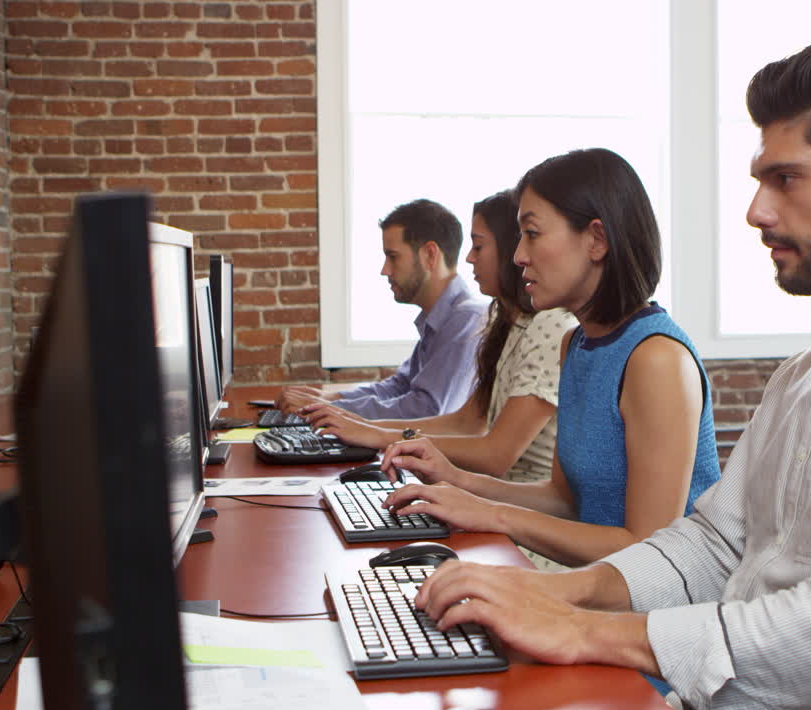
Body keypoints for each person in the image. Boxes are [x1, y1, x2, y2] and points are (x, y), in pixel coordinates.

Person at [399, 42, 811, 710]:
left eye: (786, 179)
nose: (757, 211)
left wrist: (583, 630)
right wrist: (555, 594)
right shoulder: (805, 375)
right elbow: (713, 546)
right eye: (759, 180)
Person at [380, 148, 721, 569]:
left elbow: (648, 553)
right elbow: (564, 499)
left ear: (596, 240)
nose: (518, 255)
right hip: (594, 585)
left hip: (656, 603)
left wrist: (493, 514)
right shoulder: (576, 344)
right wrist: (457, 480)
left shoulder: (657, 359)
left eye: (532, 233)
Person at [303, 190, 574, 485]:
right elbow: (465, 423)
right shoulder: (506, 322)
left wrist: (378, 435)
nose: (468, 258)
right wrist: (368, 428)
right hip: (497, 495)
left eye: (478, 246)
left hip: (517, 501)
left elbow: (496, 455)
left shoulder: (547, 323)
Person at [276, 199, 487, 419]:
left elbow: (426, 409)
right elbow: (399, 387)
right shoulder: (439, 317)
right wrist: (328, 399)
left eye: (393, 257)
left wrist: (329, 408)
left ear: (430, 255)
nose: (385, 270)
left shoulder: (466, 319)